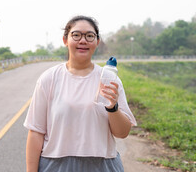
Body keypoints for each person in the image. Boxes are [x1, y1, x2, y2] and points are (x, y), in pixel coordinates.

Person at [24, 15, 137, 172]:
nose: (83, 41)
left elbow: (122, 133)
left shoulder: (109, 79)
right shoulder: (49, 78)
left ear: (97, 42)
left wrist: (113, 108)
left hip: (102, 166)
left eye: (90, 36)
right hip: (56, 166)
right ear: (65, 40)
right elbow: (36, 132)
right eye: (76, 35)